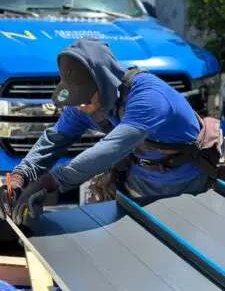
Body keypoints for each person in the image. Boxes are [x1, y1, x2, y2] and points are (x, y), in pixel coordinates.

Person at [0, 38, 223, 227]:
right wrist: (21, 176)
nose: (80, 106)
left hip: (188, 185)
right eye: (75, 98)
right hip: (140, 184)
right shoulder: (85, 106)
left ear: (105, 83)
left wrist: (50, 181)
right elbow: (54, 140)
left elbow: (110, 150)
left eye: (85, 96)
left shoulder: (149, 97)